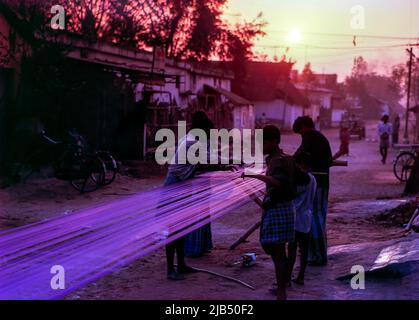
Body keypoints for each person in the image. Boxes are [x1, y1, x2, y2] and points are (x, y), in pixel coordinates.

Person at [163, 111, 236, 280]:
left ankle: (180, 265)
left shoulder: (191, 140)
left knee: (181, 228)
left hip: (181, 185)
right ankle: (170, 270)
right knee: (173, 229)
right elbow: (206, 162)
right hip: (174, 187)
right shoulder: (191, 143)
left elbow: (203, 164)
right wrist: (225, 166)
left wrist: (226, 164)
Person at [242, 125, 297, 300]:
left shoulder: (277, 161)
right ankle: (283, 286)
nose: (260, 146)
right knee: (278, 252)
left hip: (279, 209)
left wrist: (255, 176)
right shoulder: (284, 158)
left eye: (263, 143)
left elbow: (279, 183)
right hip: (286, 208)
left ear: (273, 142)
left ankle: (281, 293)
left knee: (278, 253)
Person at [293, 116, 333, 266]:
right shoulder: (321, 137)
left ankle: (317, 255)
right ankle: (320, 253)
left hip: (317, 183)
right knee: (320, 217)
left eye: (300, 132)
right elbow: (328, 161)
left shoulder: (309, 136)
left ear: (304, 127)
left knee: (314, 218)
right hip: (323, 182)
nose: (301, 135)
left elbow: (299, 156)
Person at [288, 151, 317, 285]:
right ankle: (301, 277)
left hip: (295, 218)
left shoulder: (299, 180)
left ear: (301, 164)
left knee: (292, 249)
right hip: (306, 218)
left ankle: (287, 277)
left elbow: (291, 196)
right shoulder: (312, 179)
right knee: (303, 250)